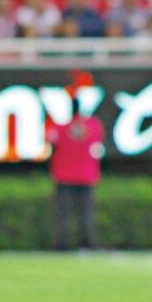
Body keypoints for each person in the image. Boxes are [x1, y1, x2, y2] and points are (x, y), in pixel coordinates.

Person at [47, 89, 104, 251]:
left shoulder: (59, 128)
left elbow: (52, 145)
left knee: (62, 214)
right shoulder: (93, 126)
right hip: (86, 175)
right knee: (86, 213)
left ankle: (61, 244)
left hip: (64, 176)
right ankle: (88, 243)